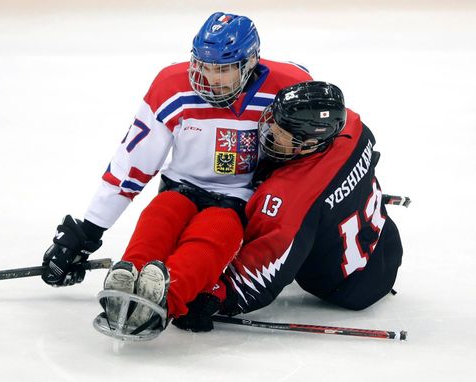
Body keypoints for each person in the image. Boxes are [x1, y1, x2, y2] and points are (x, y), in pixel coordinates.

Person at [40, 12, 312, 340]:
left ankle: (168, 296)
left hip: (240, 199)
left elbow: (316, 144)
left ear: (251, 61)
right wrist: (87, 232)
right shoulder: (172, 85)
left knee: (214, 230)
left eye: (223, 69)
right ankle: (127, 279)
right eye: (204, 66)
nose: (211, 78)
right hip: (181, 187)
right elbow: (133, 164)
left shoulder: (289, 85)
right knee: (162, 213)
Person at [172, 81, 404, 333]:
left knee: (288, 225)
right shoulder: (355, 128)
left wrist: (215, 297)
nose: (270, 127)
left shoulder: (289, 198)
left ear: (308, 143)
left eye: (282, 130)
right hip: (386, 246)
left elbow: (264, 272)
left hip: (349, 288)